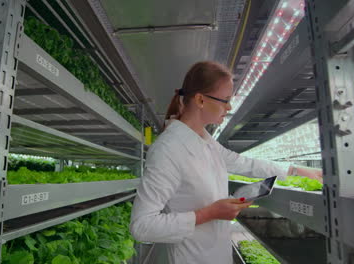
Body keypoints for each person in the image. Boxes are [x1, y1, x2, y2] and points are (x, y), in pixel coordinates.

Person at [129, 61, 322, 264]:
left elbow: (243, 163)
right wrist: (209, 213)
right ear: (201, 100)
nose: (229, 107)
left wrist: (294, 170)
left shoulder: (204, 140)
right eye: (225, 100)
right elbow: (142, 227)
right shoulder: (168, 150)